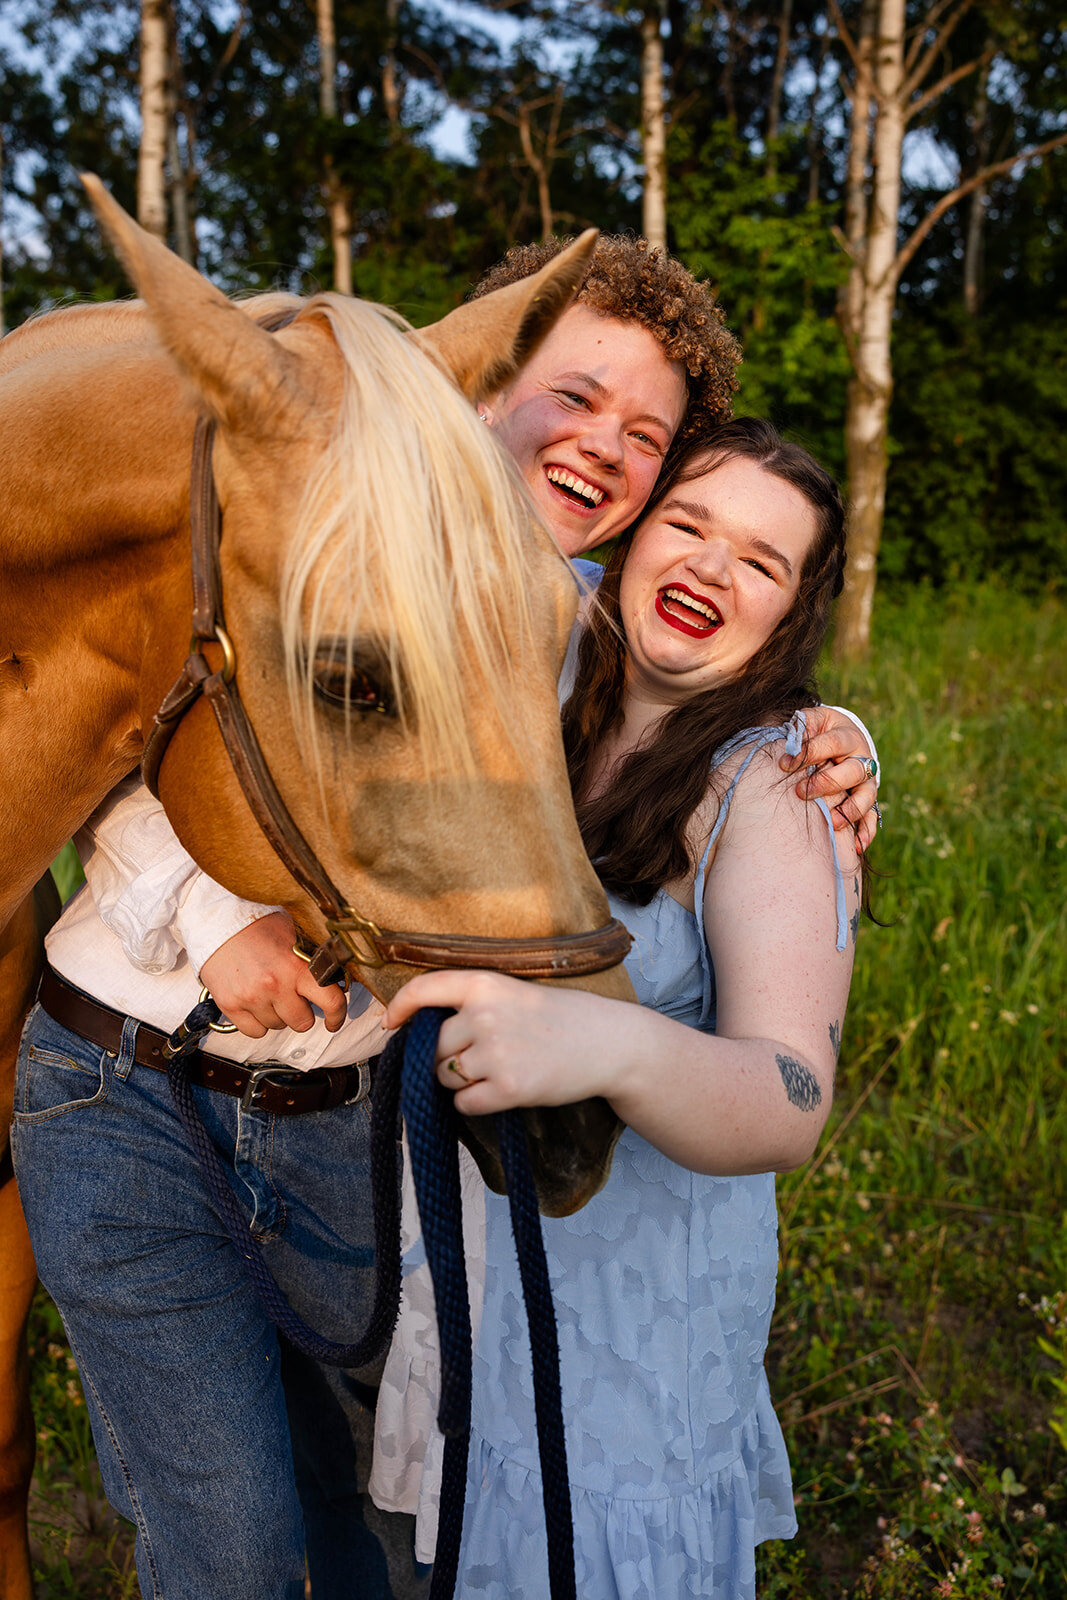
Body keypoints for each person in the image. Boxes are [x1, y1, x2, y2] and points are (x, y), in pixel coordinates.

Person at [12, 241, 876, 1600]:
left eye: (645, 438)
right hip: (137, 1065)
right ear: (468, 384)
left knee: (380, 1520)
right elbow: (84, 693)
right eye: (572, 397)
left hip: (348, 1124)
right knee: (230, 1544)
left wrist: (827, 735)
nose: (602, 447)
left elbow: (702, 664)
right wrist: (196, 909)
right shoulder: (301, 515)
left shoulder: (564, 622)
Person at [374, 416, 859, 1598]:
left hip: (624, 1347)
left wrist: (605, 1042)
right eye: (686, 524)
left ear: (790, 614)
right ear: (631, 539)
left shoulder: (773, 784)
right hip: (464, 1279)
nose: (706, 566)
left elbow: (789, 1099)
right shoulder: (535, 675)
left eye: (758, 559)